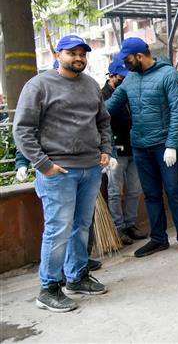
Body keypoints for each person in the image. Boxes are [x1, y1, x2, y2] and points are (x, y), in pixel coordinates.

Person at [14, 34, 113, 312]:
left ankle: (77, 277)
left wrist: (105, 149)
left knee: (81, 227)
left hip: (90, 168)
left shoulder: (91, 85)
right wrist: (44, 165)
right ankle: (49, 288)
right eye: (72, 53)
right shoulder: (39, 85)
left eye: (83, 53)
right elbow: (22, 129)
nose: (78, 58)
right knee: (58, 230)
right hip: (58, 171)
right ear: (58, 55)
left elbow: (103, 121)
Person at [106, 37, 178, 257]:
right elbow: (109, 107)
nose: (125, 64)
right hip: (140, 146)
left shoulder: (169, 75)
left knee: (174, 191)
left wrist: (172, 145)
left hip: (164, 146)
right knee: (150, 194)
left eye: (127, 59)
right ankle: (158, 239)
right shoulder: (129, 80)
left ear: (139, 56)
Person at [102, 56, 145, 246]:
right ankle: (118, 227)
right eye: (122, 76)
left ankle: (130, 223)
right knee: (114, 191)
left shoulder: (130, 92)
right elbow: (102, 124)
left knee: (134, 190)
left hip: (134, 147)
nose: (125, 79)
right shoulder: (102, 96)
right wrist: (106, 151)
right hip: (115, 151)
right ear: (112, 75)